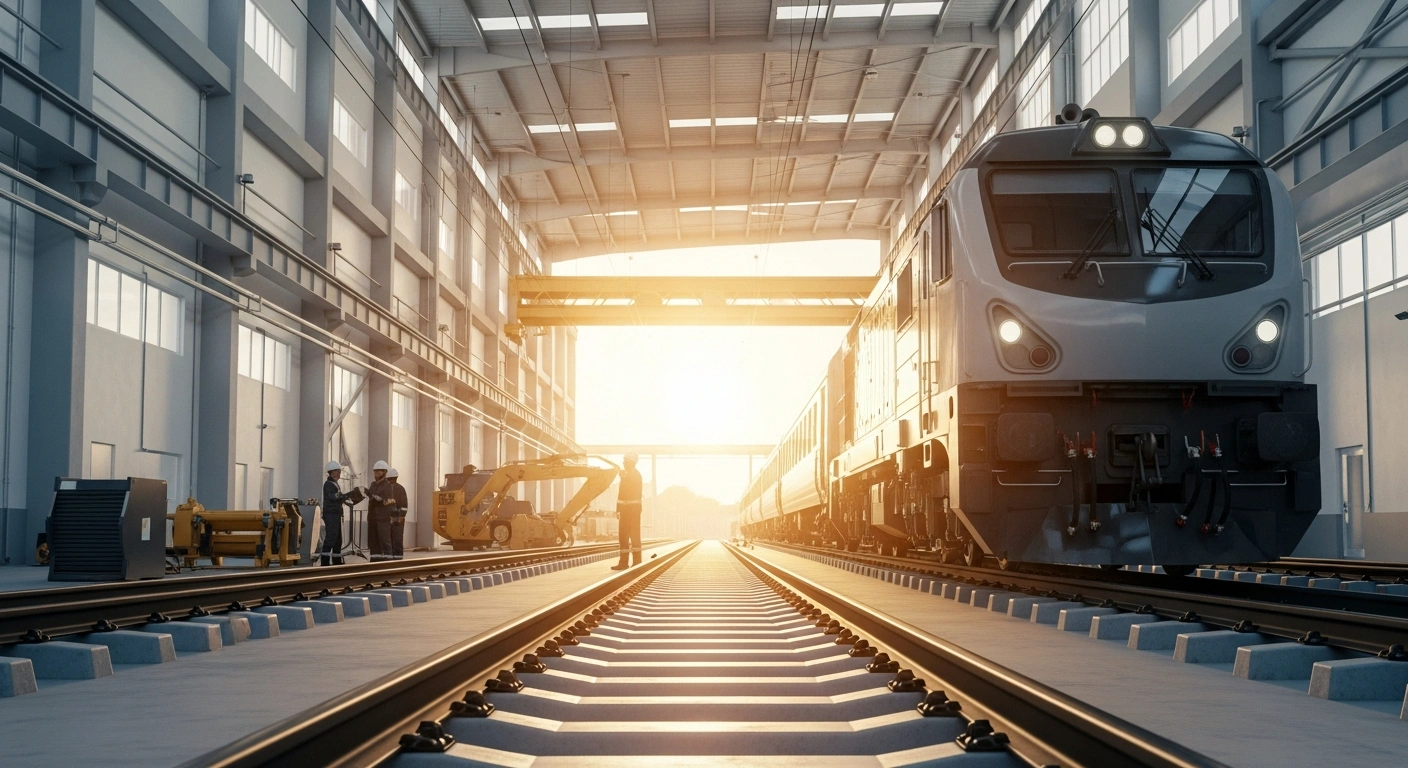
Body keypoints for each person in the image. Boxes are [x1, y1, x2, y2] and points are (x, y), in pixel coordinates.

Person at [611, 453, 643, 570]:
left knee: (634, 535)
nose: (623, 463)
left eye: (626, 461)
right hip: (626, 510)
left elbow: (629, 492)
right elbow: (621, 495)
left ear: (632, 462)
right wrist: (618, 509)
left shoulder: (634, 475)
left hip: (633, 510)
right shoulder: (628, 475)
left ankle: (637, 562)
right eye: (624, 460)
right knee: (623, 536)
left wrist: (624, 478)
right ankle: (624, 562)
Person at [321, 461, 354, 566]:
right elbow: (333, 497)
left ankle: (336, 560)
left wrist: (345, 497)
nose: (338, 474)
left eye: (339, 472)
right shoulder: (329, 484)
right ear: (330, 472)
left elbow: (338, 497)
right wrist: (345, 496)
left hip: (335, 514)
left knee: (337, 539)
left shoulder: (334, 484)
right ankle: (325, 562)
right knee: (331, 537)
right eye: (336, 472)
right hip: (331, 515)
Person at [367, 460, 396, 561]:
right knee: (373, 541)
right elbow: (370, 497)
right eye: (375, 471)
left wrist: (377, 498)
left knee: (385, 541)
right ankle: (375, 562)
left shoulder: (388, 486)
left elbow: (387, 501)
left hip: (383, 518)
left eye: (379, 471)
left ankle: (388, 564)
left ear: (384, 472)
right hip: (372, 517)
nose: (377, 473)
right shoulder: (373, 485)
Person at [387, 467, 408, 560]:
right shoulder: (385, 489)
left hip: (397, 519)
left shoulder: (400, 489)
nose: (391, 481)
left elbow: (404, 504)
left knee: (397, 540)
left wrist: (401, 516)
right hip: (388, 519)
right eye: (389, 479)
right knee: (388, 540)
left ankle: (398, 559)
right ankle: (390, 559)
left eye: (392, 479)